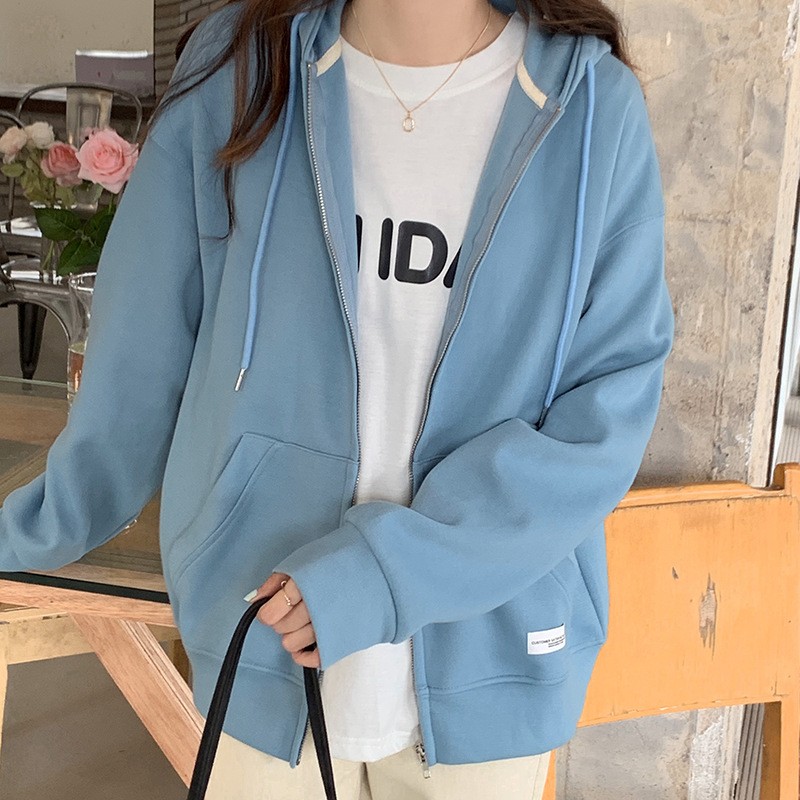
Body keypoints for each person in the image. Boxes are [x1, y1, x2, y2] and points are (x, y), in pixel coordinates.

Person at [0, 0, 675, 797]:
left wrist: (381, 576)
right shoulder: (238, 72)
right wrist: (33, 529)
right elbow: (139, 355)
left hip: (487, 651)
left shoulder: (591, 108)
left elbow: (602, 418)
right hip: (261, 625)